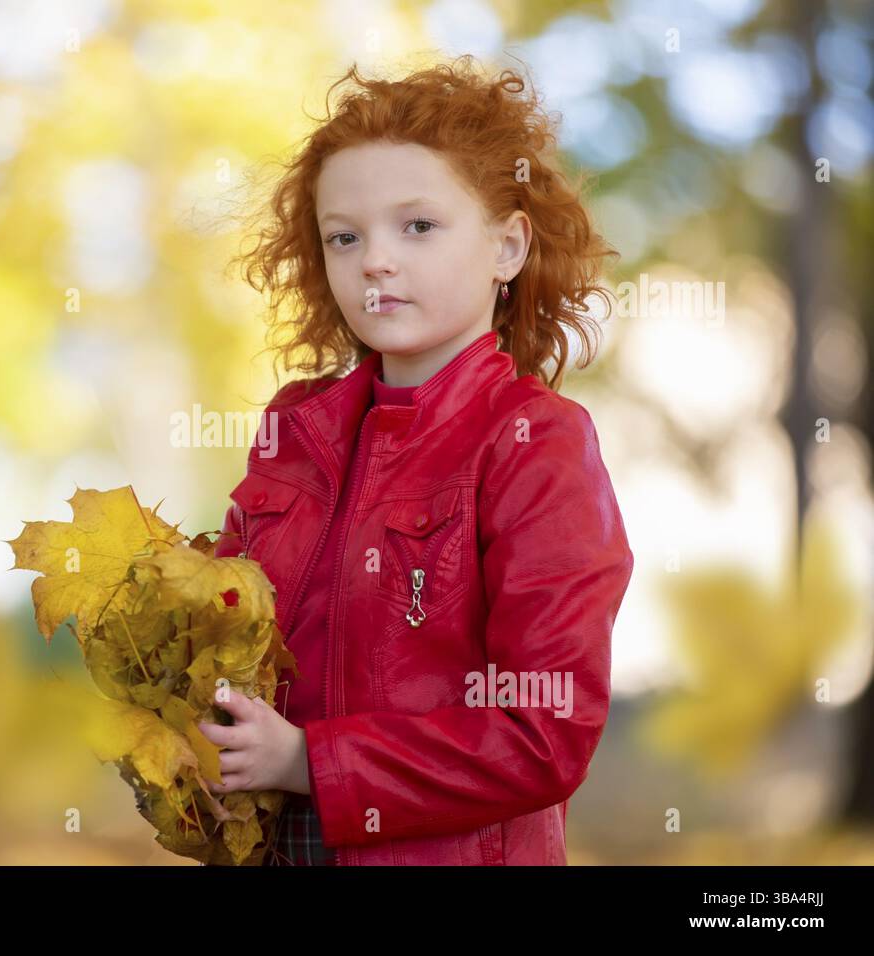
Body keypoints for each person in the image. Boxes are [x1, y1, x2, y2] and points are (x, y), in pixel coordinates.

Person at [198, 55, 634, 865]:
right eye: (345, 236)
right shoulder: (294, 427)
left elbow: (544, 732)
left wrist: (308, 762)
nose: (376, 260)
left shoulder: (537, 445)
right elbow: (224, 640)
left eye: (418, 226)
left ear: (507, 247)